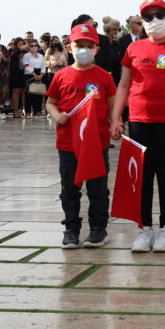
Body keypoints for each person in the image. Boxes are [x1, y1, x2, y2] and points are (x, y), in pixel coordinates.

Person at [110, 0, 165, 253]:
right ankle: (143, 227)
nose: (153, 21)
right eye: (147, 17)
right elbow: (124, 85)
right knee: (141, 177)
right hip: (139, 121)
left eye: (158, 15)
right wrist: (116, 118)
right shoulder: (133, 49)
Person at [45, 24, 117, 249]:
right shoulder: (61, 76)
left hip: (97, 143)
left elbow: (113, 106)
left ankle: (98, 229)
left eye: (89, 46)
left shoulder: (104, 77)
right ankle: (71, 229)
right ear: (69, 47)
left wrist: (116, 123)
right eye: (79, 45)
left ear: (97, 49)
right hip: (68, 142)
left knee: (97, 187)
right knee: (69, 187)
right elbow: (50, 103)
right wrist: (57, 116)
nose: (84, 49)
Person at [22, 40, 47, 117]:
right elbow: (25, 65)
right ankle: (28, 111)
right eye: (32, 46)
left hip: (39, 74)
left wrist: (41, 74)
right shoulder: (26, 55)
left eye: (35, 45)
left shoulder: (41, 55)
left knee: (38, 93)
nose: (34, 47)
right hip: (29, 74)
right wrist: (33, 74)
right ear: (29, 47)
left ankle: (37, 111)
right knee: (29, 93)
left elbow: (43, 66)